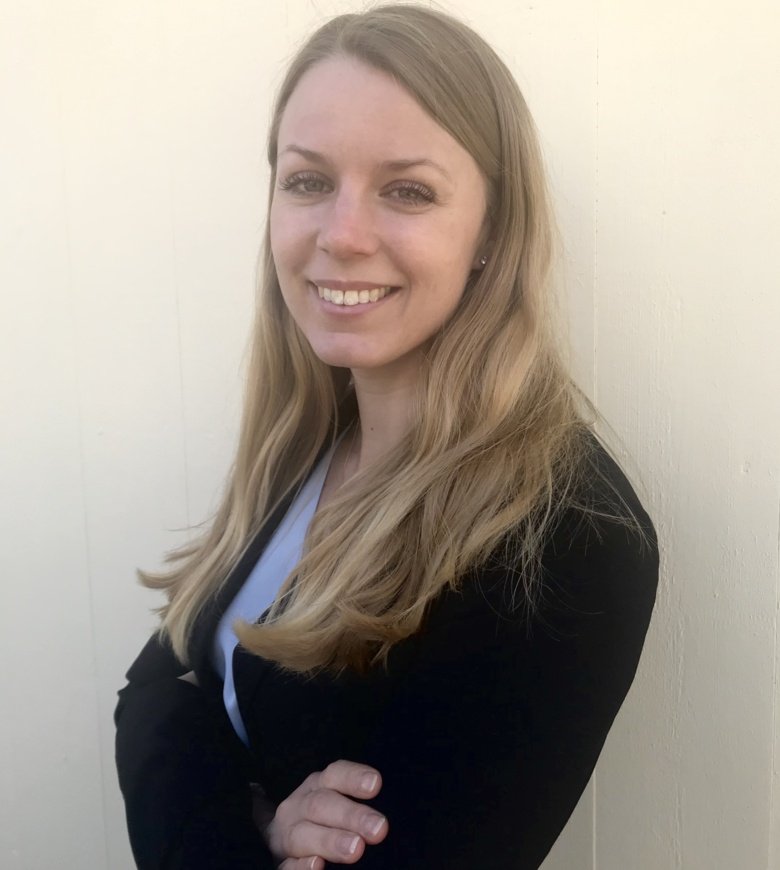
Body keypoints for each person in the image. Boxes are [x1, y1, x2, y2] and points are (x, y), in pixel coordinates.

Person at [114, 5, 659, 869]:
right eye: (306, 181)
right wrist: (259, 822)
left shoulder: (563, 537)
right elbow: (152, 690)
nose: (341, 234)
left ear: (492, 233)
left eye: (407, 190)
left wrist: (218, 807)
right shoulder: (307, 444)